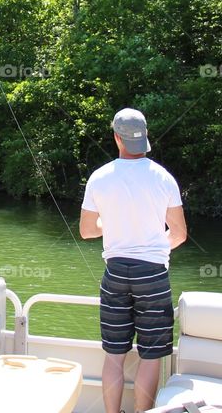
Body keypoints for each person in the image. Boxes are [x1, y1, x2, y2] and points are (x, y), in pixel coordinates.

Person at [80, 108, 188, 413]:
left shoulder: (99, 177)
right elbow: (179, 234)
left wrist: (113, 225)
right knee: (150, 355)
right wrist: (157, 248)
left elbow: (87, 231)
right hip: (152, 276)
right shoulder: (163, 178)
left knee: (114, 356)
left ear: (117, 138)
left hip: (115, 274)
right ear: (146, 136)